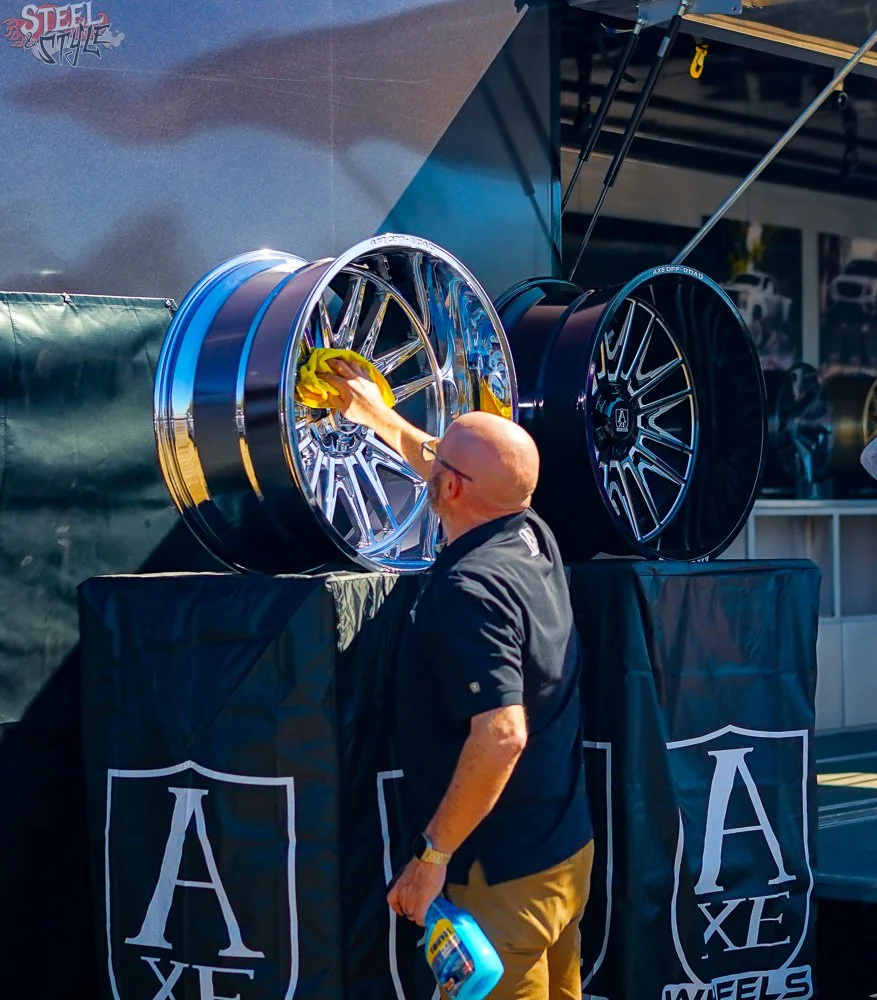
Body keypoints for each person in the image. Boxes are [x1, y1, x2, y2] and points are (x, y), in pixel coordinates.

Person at [323, 360, 594, 1000]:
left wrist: (431, 860)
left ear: (448, 491)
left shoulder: (468, 589)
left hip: (496, 881)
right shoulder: (529, 529)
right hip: (561, 858)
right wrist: (378, 417)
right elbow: (455, 469)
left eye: (440, 463)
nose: (432, 461)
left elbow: (501, 735)